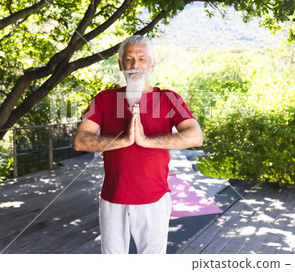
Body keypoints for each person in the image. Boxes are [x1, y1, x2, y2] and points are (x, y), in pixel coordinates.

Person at [72, 35, 203, 254]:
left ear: (152, 64)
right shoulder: (104, 99)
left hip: (155, 199)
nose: (136, 65)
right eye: (129, 59)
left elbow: (195, 136)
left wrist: (145, 141)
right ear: (120, 64)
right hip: (113, 198)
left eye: (142, 59)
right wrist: (123, 140)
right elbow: (80, 140)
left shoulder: (169, 99)